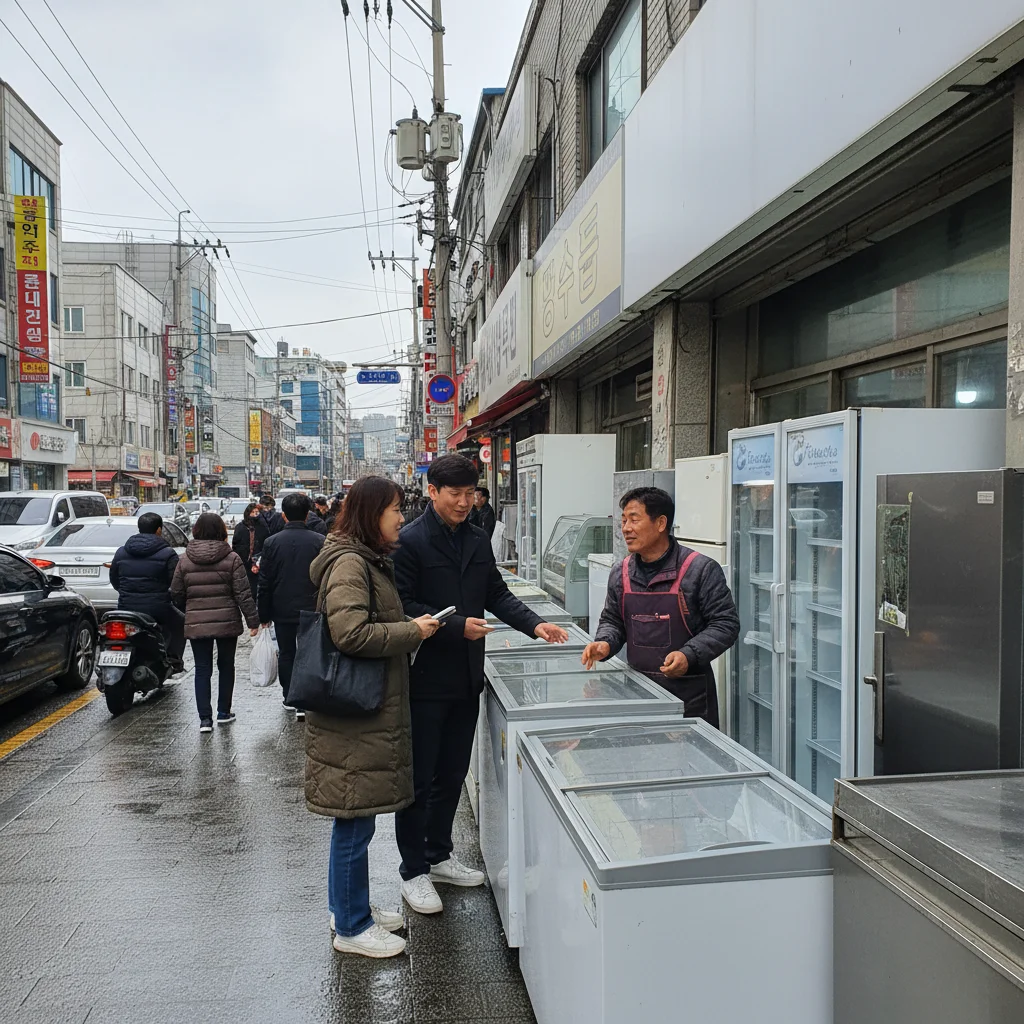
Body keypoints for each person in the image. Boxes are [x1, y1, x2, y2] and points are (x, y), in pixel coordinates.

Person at [392, 453, 569, 915]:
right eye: (457, 494)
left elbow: (496, 593)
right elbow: (401, 605)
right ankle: (413, 870)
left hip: (467, 675)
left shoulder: (476, 537)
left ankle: (439, 854)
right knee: (418, 778)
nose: (466, 502)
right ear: (432, 493)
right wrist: (454, 629)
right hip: (423, 676)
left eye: (471, 494)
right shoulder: (409, 542)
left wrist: (536, 625)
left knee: (451, 773)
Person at [306, 475, 441, 958]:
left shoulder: (363, 559)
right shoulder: (349, 564)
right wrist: (412, 631)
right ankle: (352, 926)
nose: (402, 518)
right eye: (394, 511)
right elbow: (351, 634)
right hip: (353, 716)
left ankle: (348, 906)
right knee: (354, 821)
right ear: (370, 516)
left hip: (361, 712)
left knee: (355, 820)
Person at [582, 487, 740, 726]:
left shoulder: (700, 570)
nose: (626, 528)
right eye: (623, 520)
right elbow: (613, 621)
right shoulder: (621, 572)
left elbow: (725, 624)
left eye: (634, 519)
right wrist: (605, 643)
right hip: (638, 694)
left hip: (690, 699)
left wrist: (688, 655)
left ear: (661, 523)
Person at [171, 512, 260, 733]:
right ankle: (223, 712)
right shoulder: (232, 559)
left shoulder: (184, 559)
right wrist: (253, 621)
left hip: (197, 621)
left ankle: (204, 720)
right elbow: (243, 594)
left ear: (196, 531)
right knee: (226, 666)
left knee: (202, 668)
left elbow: (176, 593)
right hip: (226, 621)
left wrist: (189, 612)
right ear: (222, 531)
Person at [258, 492, 325, 719]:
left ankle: (289, 696)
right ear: (307, 515)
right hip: (312, 607)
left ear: (284, 515)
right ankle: (307, 698)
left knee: (287, 652)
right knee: (309, 652)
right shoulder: (319, 541)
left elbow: (265, 581)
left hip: (282, 607)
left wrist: (263, 614)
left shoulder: (271, 543)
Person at [109, 511, 185, 671]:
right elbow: (176, 583)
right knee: (181, 623)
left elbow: (114, 579)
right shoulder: (168, 553)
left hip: (125, 607)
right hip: (158, 608)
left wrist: (126, 593)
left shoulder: (121, 551)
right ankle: (173, 658)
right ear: (159, 530)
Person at [231, 501, 268, 601]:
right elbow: (235, 545)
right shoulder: (241, 527)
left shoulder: (262, 526)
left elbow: (266, 544)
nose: (255, 515)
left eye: (257, 512)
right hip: (244, 562)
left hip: (259, 562)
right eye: (252, 512)